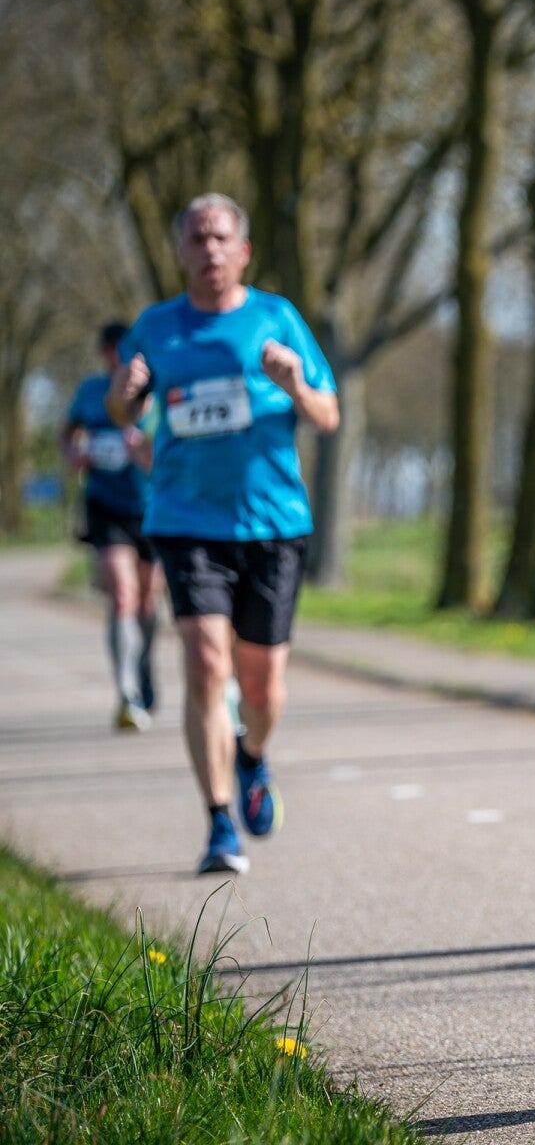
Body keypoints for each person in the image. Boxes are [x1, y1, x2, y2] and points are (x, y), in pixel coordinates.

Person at [109, 193, 340, 875]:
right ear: (181, 252)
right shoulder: (156, 327)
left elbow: (327, 415)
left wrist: (295, 385)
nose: (209, 249)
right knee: (207, 664)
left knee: (262, 688)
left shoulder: (277, 318)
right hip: (186, 522)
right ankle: (218, 822)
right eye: (197, 238)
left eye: (220, 238)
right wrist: (126, 390)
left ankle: (252, 756)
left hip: (273, 524)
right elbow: (121, 407)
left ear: (243, 251)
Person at [64, 322, 162, 732]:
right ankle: (126, 693)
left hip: (153, 508)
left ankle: (143, 665)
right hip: (106, 506)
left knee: (148, 601)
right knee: (123, 594)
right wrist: (74, 454)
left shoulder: (158, 393)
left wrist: (146, 454)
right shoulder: (90, 391)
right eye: (111, 351)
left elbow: (173, 449)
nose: (118, 358)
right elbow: (69, 433)